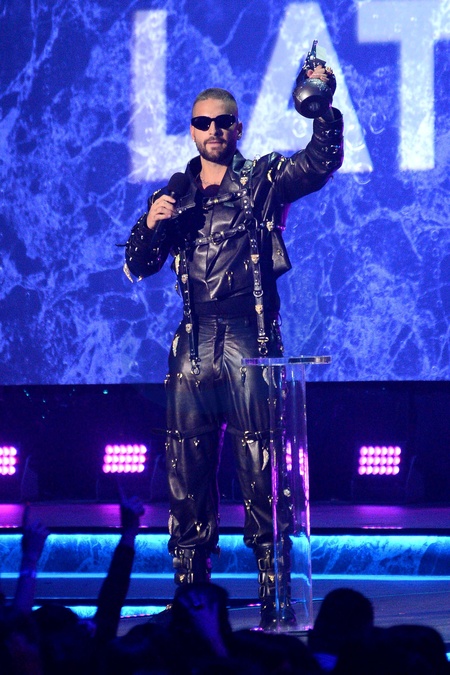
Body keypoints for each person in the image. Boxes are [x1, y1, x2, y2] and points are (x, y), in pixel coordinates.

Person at [124, 64, 343, 629]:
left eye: (223, 122)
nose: (213, 130)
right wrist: (150, 223)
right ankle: (188, 596)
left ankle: (274, 593)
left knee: (261, 467)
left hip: (250, 336)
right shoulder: (174, 194)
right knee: (186, 472)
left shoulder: (263, 178)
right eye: (203, 123)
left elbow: (318, 163)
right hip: (193, 340)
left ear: (237, 128)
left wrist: (321, 106)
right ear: (191, 130)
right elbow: (138, 266)